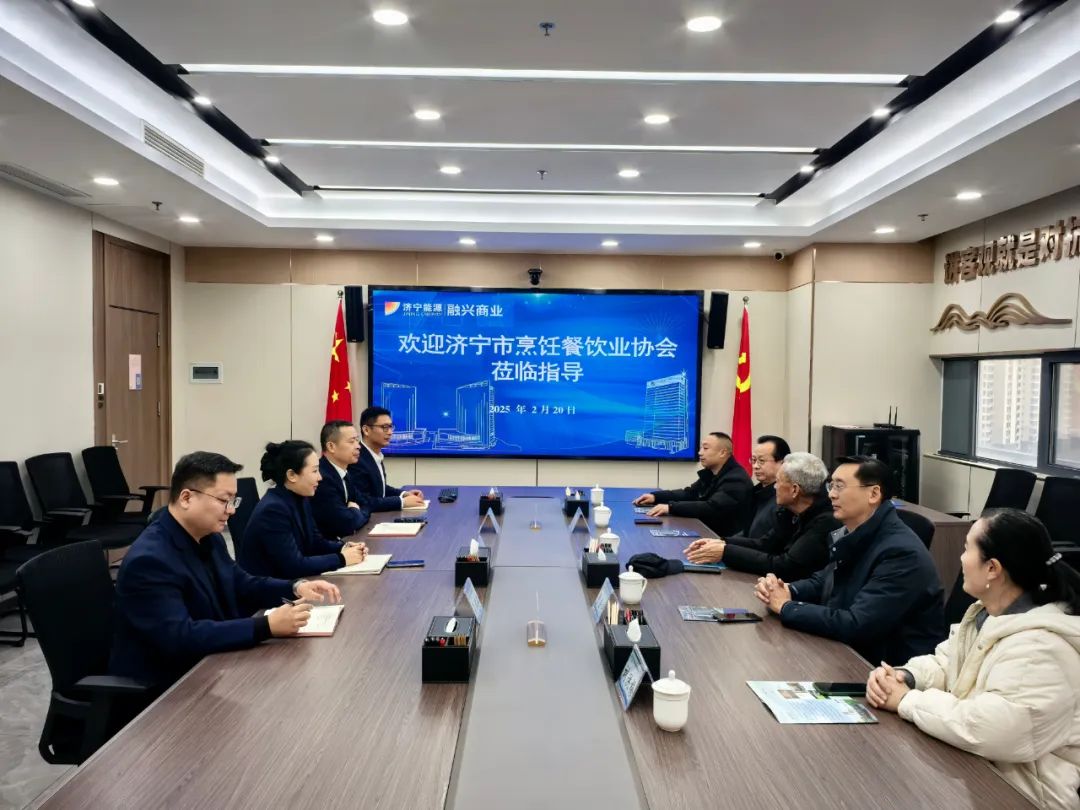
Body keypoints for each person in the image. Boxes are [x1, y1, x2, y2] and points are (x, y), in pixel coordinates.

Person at [867, 509, 1080, 810]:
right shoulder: (988, 614)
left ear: (992, 568)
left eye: (967, 548)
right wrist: (905, 677)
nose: (961, 557)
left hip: (1024, 795)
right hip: (974, 772)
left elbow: (989, 729)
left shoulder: (1042, 647)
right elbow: (948, 663)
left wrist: (907, 700)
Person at [110, 451, 341, 691]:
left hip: (213, 665)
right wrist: (266, 626)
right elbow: (181, 637)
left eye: (234, 501)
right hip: (166, 688)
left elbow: (242, 583)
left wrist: (295, 587)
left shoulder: (208, 537)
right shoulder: (150, 561)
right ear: (186, 498)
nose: (231, 511)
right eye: (224, 500)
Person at [753, 456, 944, 664]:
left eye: (840, 486)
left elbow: (858, 624)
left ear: (873, 494)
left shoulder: (901, 553)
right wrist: (788, 590)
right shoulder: (854, 532)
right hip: (849, 653)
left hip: (882, 669)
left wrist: (786, 606)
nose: (831, 494)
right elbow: (825, 581)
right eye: (831, 485)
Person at [683, 452, 838, 581]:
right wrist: (722, 542)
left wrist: (726, 552)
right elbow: (765, 544)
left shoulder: (825, 521)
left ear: (794, 490)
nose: (774, 487)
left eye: (778, 482)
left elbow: (785, 566)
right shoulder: (790, 511)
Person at [240, 440, 368, 579]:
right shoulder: (273, 510)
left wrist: (344, 548)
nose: (320, 477)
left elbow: (315, 543)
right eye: (314, 471)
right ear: (292, 475)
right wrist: (342, 558)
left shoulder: (300, 498)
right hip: (273, 589)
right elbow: (294, 566)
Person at [633, 432, 753, 536]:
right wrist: (655, 497)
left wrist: (671, 507)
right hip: (707, 532)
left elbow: (712, 508)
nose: (700, 453)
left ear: (722, 453)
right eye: (701, 448)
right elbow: (689, 494)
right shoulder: (711, 473)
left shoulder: (735, 479)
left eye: (705, 448)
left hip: (723, 540)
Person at [349, 406, 425, 511]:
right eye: (384, 427)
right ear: (366, 430)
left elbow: (379, 488)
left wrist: (404, 494)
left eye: (390, 427)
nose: (390, 432)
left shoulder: (374, 454)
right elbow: (364, 501)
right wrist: (401, 502)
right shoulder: (356, 458)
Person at [311, 419, 372, 539]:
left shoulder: (344, 472)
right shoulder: (322, 478)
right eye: (352, 441)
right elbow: (347, 524)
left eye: (357, 441)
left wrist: (355, 512)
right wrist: (356, 510)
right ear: (331, 446)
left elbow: (366, 504)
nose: (358, 446)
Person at [737, 435, 790, 539]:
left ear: (782, 463)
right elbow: (746, 533)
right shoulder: (754, 493)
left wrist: (726, 545)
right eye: (753, 460)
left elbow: (765, 542)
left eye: (761, 461)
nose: (755, 466)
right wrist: (722, 542)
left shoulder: (785, 499)